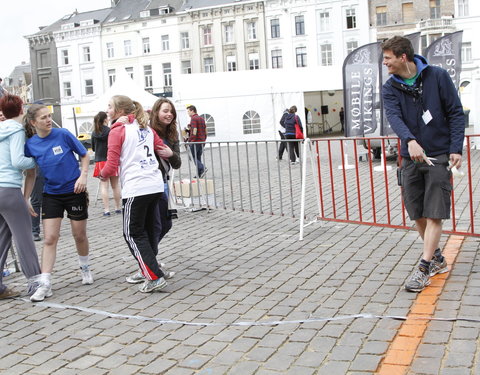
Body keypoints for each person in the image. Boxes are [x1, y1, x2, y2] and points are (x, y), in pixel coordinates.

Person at [381, 36, 465, 292]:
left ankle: (424, 267)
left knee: (435, 212)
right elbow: (394, 117)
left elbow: (455, 112)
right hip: (410, 157)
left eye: (388, 58)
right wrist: (409, 141)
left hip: (439, 155)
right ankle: (438, 258)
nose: (385, 63)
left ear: (402, 56)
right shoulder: (390, 87)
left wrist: (455, 148)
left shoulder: (437, 76)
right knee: (416, 212)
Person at [100, 95, 169, 293]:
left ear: (120, 111)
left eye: (110, 106)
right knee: (146, 231)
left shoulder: (118, 130)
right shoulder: (146, 128)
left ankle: (154, 276)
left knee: (132, 233)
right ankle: (149, 270)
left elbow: (111, 164)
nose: (108, 110)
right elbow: (161, 148)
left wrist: (103, 175)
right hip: (154, 184)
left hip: (136, 187)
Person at [24, 104, 93, 302]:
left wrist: (83, 176)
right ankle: (45, 282)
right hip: (51, 194)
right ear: (33, 122)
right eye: (43, 117)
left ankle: (85, 266)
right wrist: (25, 198)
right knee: (49, 238)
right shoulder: (31, 145)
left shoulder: (63, 134)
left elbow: (84, 155)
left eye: (49, 116)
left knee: (79, 235)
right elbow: (29, 172)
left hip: (74, 191)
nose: (48, 120)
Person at [125, 98, 180, 285]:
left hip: (162, 184)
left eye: (171, 111)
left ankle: (149, 264)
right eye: (165, 110)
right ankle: (149, 267)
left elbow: (177, 163)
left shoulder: (172, 134)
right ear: (156, 112)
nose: (169, 114)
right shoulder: (148, 130)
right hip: (147, 184)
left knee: (164, 225)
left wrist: (171, 155)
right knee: (152, 227)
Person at [0, 94, 45, 299]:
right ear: (21, 109)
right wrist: (35, 159)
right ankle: (36, 283)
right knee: (24, 237)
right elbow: (19, 161)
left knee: (2, 238)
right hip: (9, 189)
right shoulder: (16, 130)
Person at [91, 111, 122, 217]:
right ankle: (117, 207)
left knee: (104, 187)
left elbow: (94, 148)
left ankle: (106, 210)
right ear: (105, 120)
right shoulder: (110, 131)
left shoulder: (94, 132)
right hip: (111, 160)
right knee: (115, 186)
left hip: (100, 161)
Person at [186, 105, 207, 177]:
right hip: (202, 141)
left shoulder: (193, 118)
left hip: (195, 141)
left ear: (192, 111)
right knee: (198, 158)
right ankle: (199, 174)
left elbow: (194, 130)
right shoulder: (201, 118)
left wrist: (191, 140)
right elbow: (205, 130)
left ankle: (202, 167)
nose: (188, 113)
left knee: (193, 157)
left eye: (188, 111)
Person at [30, 166, 44, 241]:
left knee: (51, 198)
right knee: (36, 201)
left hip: (50, 165)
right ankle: (34, 231)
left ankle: (51, 228)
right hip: (36, 166)